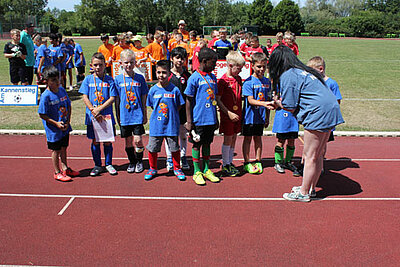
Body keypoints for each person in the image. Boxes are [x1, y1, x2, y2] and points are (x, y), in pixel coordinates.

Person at [267, 45, 344, 202]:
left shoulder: (288, 75)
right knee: (318, 153)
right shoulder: (304, 71)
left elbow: (289, 105)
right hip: (331, 109)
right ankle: (310, 188)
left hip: (317, 113)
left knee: (309, 156)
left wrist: (277, 102)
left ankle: (303, 193)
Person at [145, 60, 186, 181]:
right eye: (158, 72)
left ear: (169, 73)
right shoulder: (153, 90)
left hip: (171, 125)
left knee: (174, 148)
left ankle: (177, 168)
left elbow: (179, 105)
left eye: (164, 72)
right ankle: (153, 168)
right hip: (156, 125)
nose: (161, 75)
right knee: (153, 148)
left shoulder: (175, 90)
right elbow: (152, 106)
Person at [184, 47, 220, 185]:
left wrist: (216, 118)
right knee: (196, 145)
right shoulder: (194, 78)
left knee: (207, 143)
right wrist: (189, 121)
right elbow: (188, 100)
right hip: (198, 119)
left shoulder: (213, 77)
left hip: (210, 118)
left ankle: (206, 169)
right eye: (213, 62)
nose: (215, 65)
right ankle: (196, 171)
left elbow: (214, 99)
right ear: (204, 61)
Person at [38, 66, 80, 182]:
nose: (57, 82)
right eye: (53, 80)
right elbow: (42, 114)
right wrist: (56, 123)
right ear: (47, 81)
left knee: (64, 147)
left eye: (58, 79)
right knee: (56, 150)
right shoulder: (46, 96)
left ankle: (65, 168)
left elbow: (68, 105)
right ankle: (57, 172)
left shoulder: (62, 90)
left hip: (64, 126)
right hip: (54, 129)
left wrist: (68, 121)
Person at [79, 52, 118, 176]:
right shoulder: (88, 79)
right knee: (95, 141)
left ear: (105, 65)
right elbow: (84, 96)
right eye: (95, 65)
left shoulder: (109, 80)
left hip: (106, 115)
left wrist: (99, 108)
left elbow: (112, 97)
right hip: (92, 116)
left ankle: (108, 163)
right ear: (91, 65)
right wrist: (93, 110)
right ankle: (97, 165)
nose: (98, 67)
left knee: (107, 141)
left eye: (100, 65)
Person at [114, 49, 148, 173]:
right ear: (121, 63)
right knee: (128, 142)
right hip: (125, 116)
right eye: (126, 62)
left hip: (137, 114)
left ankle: (139, 161)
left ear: (135, 63)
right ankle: (132, 162)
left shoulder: (140, 78)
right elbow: (116, 99)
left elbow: (144, 96)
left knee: (138, 140)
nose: (129, 65)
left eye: (131, 62)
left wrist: (145, 113)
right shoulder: (117, 80)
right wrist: (118, 115)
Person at [307, 56, 342, 172]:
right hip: (315, 119)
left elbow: (337, 102)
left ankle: (319, 164)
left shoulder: (332, 83)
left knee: (322, 144)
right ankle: (313, 164)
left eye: (312, 71)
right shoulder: (313, 82)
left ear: (320, 69)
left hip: (326, 119)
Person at [242, 52, 272, 174]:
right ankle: (246, 162)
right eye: (259, 66)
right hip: (249, 117)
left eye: (264, 67)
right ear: (252, 65)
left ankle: (258, 160)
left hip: (260, 117)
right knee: (248, 139)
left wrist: (267, 117)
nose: (261, 69)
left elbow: (269, 101)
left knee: (258, 138)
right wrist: (264, 104)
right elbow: (250, 100)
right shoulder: (248, 82)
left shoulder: (267, 82)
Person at [216, 51, 245, 176]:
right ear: (230, 65)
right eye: (238, 68)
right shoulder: (222, 81)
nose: (240, 71)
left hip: (237, 113)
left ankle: (230, 162)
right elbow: (218, 99)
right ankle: (225, 164)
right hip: (228, 115)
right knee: (227, 138)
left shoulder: (238, 78)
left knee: (234, 137)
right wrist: (228, 113)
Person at [165, 47, 191, 171]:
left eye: (182, 58)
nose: (180, 61)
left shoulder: (187, 75)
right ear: (172, 59)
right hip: (170, 112)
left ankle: (183, 156)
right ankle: (170, 158)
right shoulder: (167, 75)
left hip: (184, 112)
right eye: (177, 58)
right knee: (170, 135)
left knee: (183, 135)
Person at [272, 100, 301, 176]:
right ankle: (278, 162)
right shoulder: (279, 89)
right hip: (282, 117)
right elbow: (274, 100)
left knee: (292, 141)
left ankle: (288, 162)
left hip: (293, 117)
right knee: (281, 141)